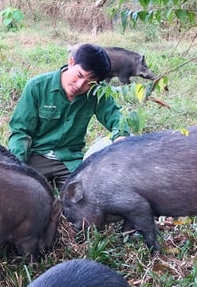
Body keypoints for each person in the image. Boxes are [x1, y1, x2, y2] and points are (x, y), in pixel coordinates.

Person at [7, 43, 128, 189]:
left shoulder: (97, 93)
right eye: (79, 76)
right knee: (23, 193)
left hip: (70, 160)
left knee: (86, 195)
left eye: (88, 83)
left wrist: (121, 136)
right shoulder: (37, 87)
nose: (79, 85)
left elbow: (116, 118)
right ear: (71, 62)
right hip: (35, 156)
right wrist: (17, 165)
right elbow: (20, 131)